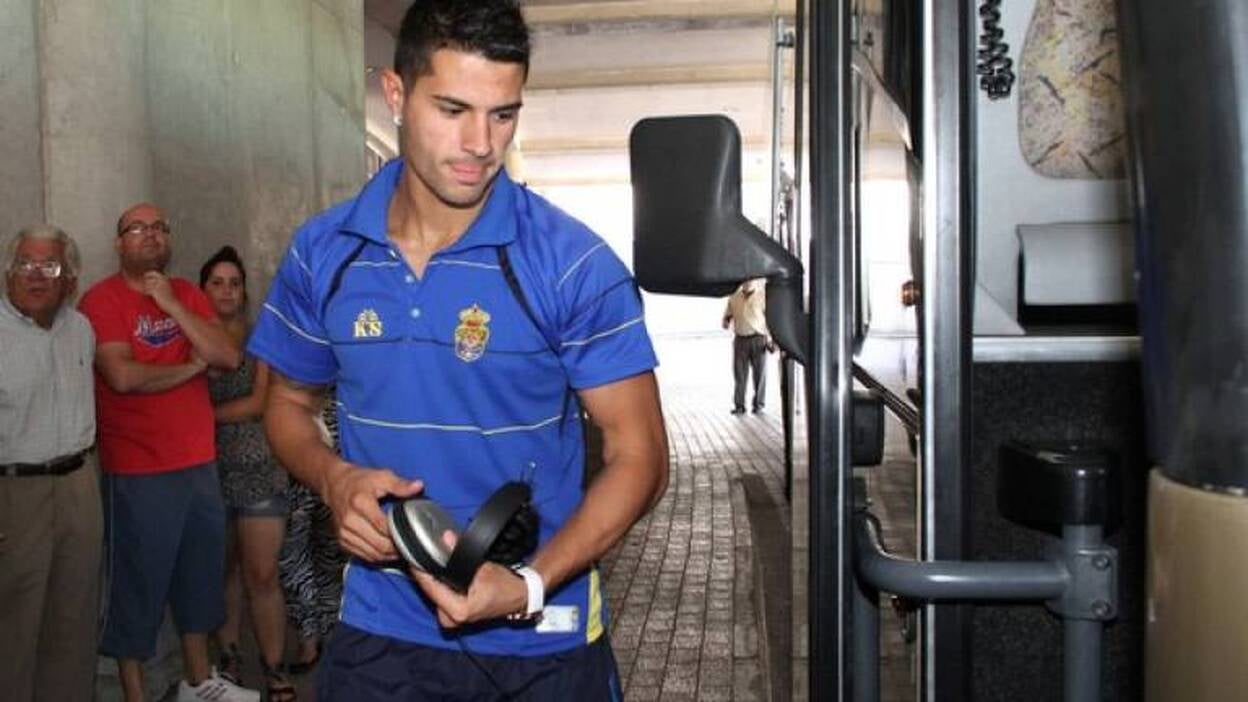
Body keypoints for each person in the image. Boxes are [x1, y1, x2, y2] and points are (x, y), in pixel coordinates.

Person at [247, 1, 670, 699]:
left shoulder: (572, 264)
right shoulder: (323, 254)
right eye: (452, 109)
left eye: (503, 114)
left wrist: (530, 583)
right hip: (380, 633)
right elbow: (288, 403)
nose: (480, 143)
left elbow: (641, 457)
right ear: (395, 95)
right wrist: (331, 477)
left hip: (543, 640)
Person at [78, 203, 257, 702]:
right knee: (138, 586)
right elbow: (123, 376)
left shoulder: (185, 294)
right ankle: (134, 693)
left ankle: (198, 683)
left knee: (199, 579)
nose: (150, 235)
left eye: (158, 227)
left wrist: (173, 306)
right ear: (119, 243)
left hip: (197, 461)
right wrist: (190, 367)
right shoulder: (101, 300)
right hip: (138, 469)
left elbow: (227, 355)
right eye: (137, 228)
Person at [0, 225, 100, 702]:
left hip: (79, 485)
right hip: (15, 493)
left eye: (50, 266)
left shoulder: (80, 330)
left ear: (70, 279)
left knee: (74, 617)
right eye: (25, 264)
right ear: (8, 273)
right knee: (14, 623)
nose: (36, 275)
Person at [199, 246, 296, 701]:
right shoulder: (191, 338)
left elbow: (260, 403)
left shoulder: (262, 338)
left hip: (260, 469)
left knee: (261, 573)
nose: (226, 291)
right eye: (216, 283)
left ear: (244, 292)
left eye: (234, 284)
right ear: (202, 290)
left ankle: (275, 669)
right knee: (223, 573)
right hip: (205, 470)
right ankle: (230, 658)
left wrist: (202, 417)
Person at [277, 395, 345, 677]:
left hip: (337, 453)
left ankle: (330, 635)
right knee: (293, 555)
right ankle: (309, 640)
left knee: (330, 551)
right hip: (293, 449)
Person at [722, 278, 773, 414]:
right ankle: (739, 405)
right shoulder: (734, 297)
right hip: (740, 339)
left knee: (759, 374)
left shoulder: (762, 296)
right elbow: (727, 315)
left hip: (758, 338)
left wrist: (771, 339)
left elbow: (770, 319)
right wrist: (726, 321)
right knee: (739, 374)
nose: (748, 282)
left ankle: (759, 405)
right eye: (745, 280)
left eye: (750, 279)